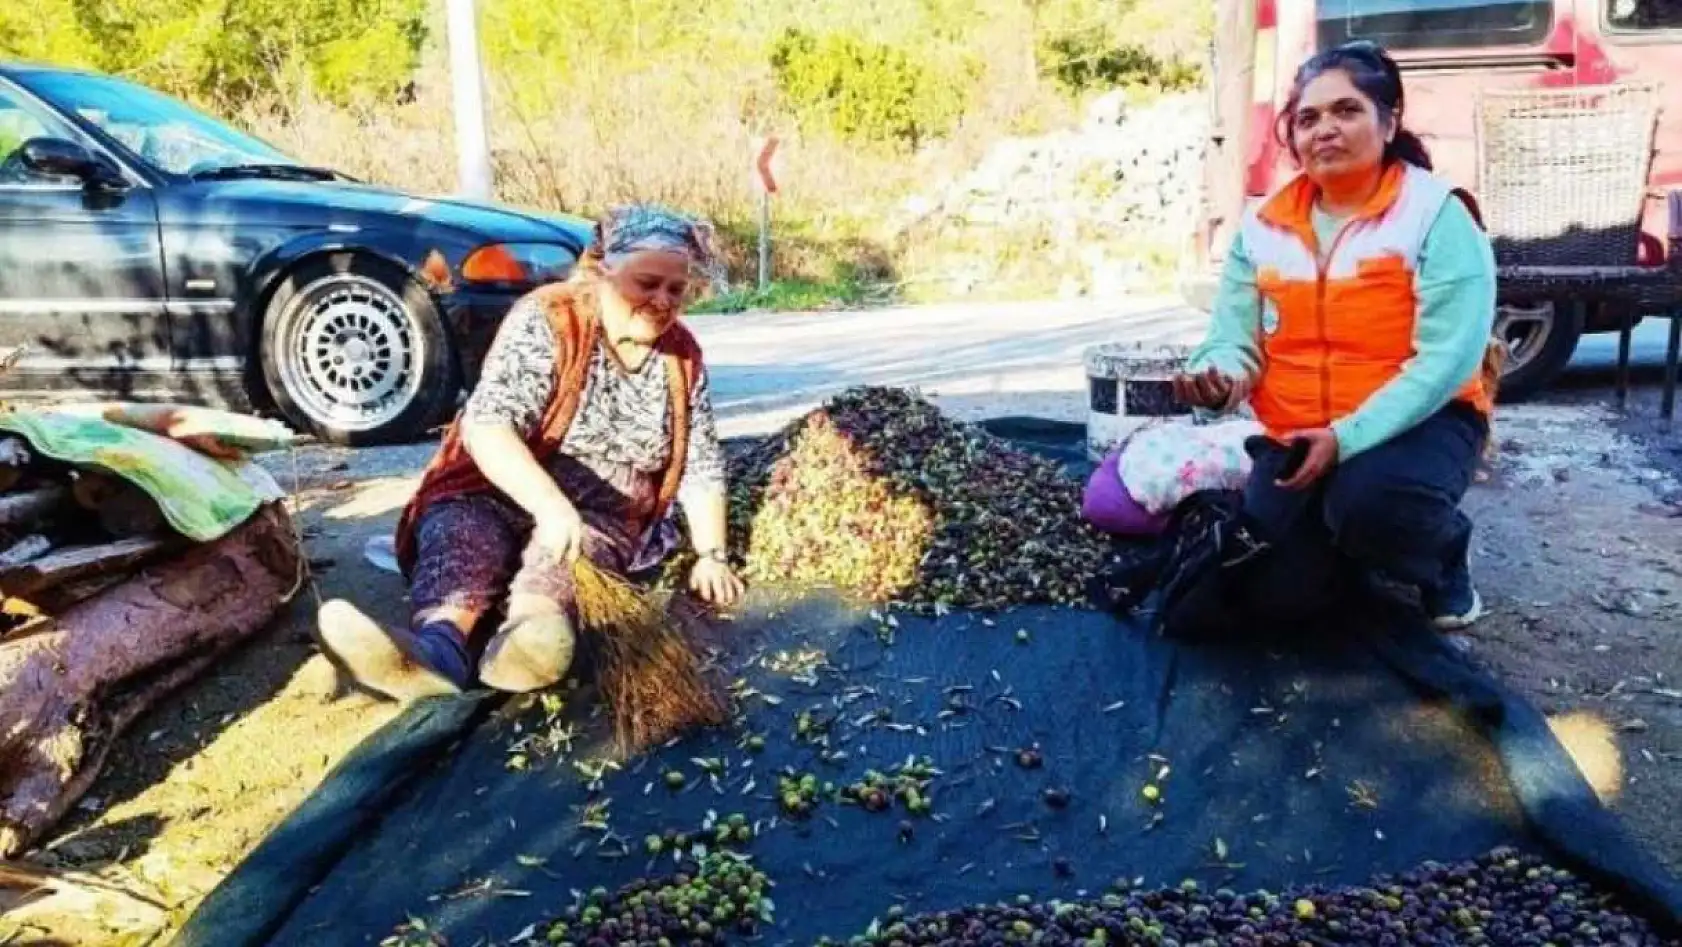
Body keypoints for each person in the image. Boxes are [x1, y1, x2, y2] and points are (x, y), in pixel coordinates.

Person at [317, 203, 745, 701]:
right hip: (495, 490)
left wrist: (712, 555)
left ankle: (527, 644)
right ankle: (436, 650)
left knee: (567, 556)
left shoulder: (682, 355)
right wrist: (547, 503)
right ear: (605, 274)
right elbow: (489, 425)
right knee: (463, 533)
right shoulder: (552, 317)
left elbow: (701, 461)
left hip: (600, 516)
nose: (662, 301)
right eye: (647, 283)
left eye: (677, 290)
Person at [1173, 40, 1497, 631]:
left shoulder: (1435, 214)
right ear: (1292, 137)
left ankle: (1443, 556)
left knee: (1371, 505)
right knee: (1273, 597)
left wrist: (1343, 439)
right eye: (1307, 117)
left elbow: (1447, 362)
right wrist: (1219, 378)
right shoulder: (1264, 226)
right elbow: (1234, 339)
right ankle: (1342, 545)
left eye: (1346, 111)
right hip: (1295, 433)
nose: (1324, 129)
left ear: (1389, 120)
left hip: (1421, 423)